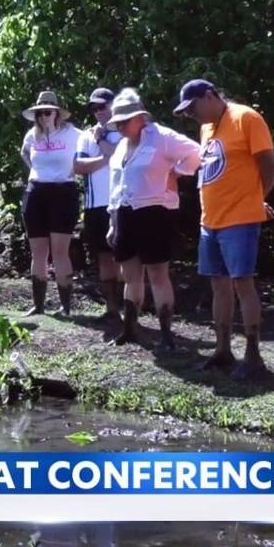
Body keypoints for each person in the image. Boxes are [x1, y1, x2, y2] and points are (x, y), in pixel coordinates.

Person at [175, 79, 274, 381]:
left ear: (210, 96)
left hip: (240, 219)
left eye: (193, 107)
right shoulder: (207, 127)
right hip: (211, 221)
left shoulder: (246, 118)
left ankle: (253, 354)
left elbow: (269, 166)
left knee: (242, 284)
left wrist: (256, 201)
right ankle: (222, 349)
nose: (191, 114)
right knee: (218, 285)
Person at [104, 89, 201, 351]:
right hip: (125, 213)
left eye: (125, 121)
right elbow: (117, 184)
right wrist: (113, 221)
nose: (121, 126)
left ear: (140, 118)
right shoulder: (122, 145)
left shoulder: (163, 137)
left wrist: (177, 173)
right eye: (118, 122)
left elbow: (196, 153)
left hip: (156, 211)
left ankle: (167, 335)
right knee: (130, 274)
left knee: (158, 273)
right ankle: (130, 330)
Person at [19, 91, 82, 317]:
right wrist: (37, 173)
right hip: (36, 192)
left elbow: (87, 150)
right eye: (40, 113)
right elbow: (25, 154)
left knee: (60, 252)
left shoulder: (72, 134)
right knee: (38, 252)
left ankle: (65, 306)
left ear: (57, 113)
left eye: (48, 112)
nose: (44, 116)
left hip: (63, 192)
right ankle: (38, 305)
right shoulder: (31, 136)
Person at [74, 88, 125, 320]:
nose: (98, 112)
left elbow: (122, 159)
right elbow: (79, 166)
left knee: (125, 256)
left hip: (123, 203)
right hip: (95, 206)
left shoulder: (125, 131)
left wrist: (102, 140)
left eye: (102, 106)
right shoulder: (85, 135)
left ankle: (131, 307)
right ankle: (111, 308)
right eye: (94, 108)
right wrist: (105, 158)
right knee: (103, 256)